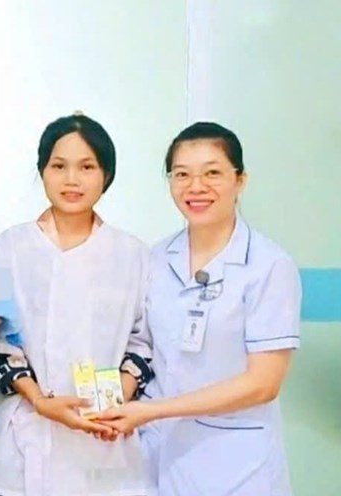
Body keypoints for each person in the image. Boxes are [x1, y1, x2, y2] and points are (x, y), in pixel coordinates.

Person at [98, 122, 302, 496]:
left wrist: (152, 411)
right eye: (182, 175)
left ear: (240, 180)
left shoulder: (269, 265)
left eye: (212, 173)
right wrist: (110, 403)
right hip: (159, 452)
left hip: (238, 463)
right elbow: (140, 347)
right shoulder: (157, 258)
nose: (195, 187)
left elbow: (264, 384)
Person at [0, 113, 153, 496]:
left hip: (103, 440)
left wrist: (117, 400)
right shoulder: (3, 245)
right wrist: (39, 401)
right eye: (59, 166)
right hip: (23, 438)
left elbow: (144, 341)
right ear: (42, 171)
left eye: (87, 167)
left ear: (106, 175)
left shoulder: (135, 254)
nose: (71, 179)